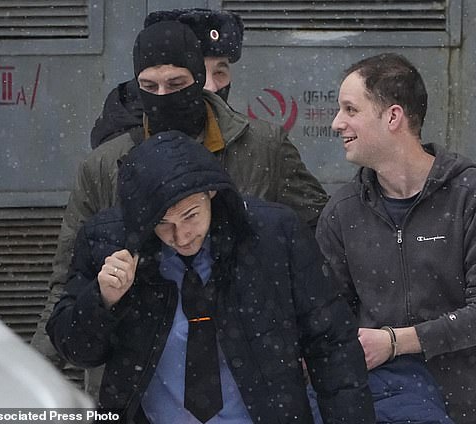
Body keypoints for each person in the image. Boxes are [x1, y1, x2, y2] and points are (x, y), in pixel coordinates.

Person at [31, 19, 328, 370]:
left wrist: (312, 337)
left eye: (176, 84)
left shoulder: (262, 148)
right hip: (137, 370)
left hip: (250, 366)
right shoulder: (104, 166)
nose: (162, 96)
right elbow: (68, 284)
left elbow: (324, 238)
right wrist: (32, 378)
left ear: (197, 82)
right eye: (148, 86)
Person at [46, 130, 375, 423]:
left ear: (212, 195)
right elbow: (77, 351)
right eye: (164, 224)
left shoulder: (273, 235)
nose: (183, 235)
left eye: (191, 215)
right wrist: (103, 300)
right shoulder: (107, 243)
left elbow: (331, 345)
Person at [316, 53, 476, 424]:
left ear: (393, 117)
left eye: (350, 109)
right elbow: (329, 316)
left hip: (468, 411)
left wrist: (396, 342)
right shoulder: (343, 211)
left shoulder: (472, 197)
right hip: (381, 408)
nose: (337, 123)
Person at [90, 8, 244, 148]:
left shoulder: (242, 133)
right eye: (201, 73)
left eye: (220, 73)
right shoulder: (122, 138)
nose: (211, 86)